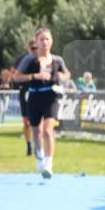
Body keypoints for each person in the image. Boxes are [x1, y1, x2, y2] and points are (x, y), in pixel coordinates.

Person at [15, 28, 70, 178]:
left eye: (47, 39)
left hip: (51, 97)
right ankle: (39, 154)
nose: (45, 42)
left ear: (51, 41)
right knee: (37, 132)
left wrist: (62, 76)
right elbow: (17, 77)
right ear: (37, 42)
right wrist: (35, 76)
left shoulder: (58, 60)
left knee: (47, 130)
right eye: (41, 39)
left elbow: (67, 74)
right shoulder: (29, 59)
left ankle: (48, 165)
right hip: (34, 97)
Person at [12, 41, 38, 155]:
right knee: (27, 122)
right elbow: (14, 74)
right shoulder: (22, 59)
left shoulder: (43, 59)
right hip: (25, 92)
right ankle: (29, 146)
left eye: (35, 48)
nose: (34, 50)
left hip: (38, 92)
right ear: (28, 48)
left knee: (39, 123)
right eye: (32, 48)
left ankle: (39, 147)